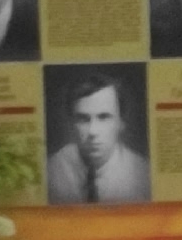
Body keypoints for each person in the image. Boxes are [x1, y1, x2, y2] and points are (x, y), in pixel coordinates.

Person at [47, 71, 149, 203]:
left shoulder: (144, 176)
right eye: (83, 119)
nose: (93, 131)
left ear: (121, 122)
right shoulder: (51, 171)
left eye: (104, 117)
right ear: (71, 123)